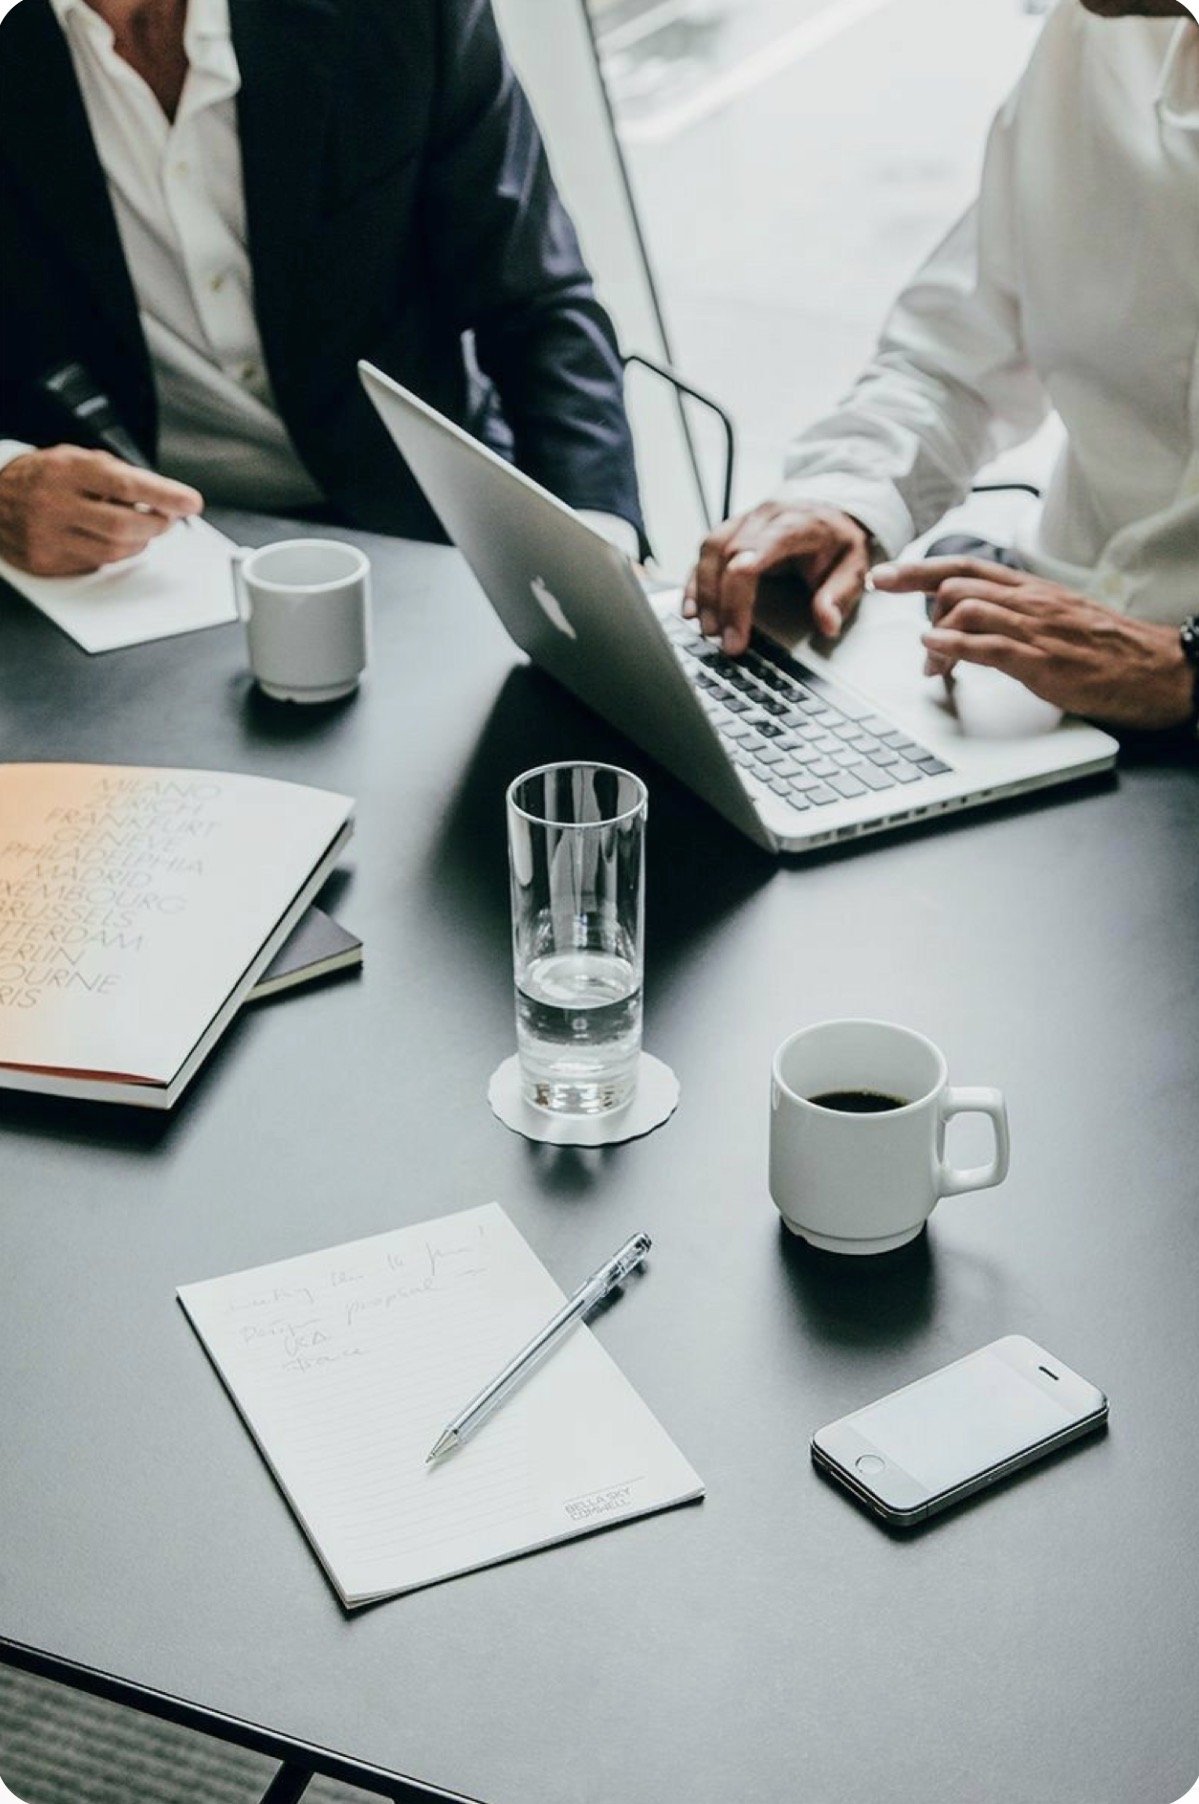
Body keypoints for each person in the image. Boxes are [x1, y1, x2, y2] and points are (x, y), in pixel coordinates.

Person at [687, 0, 1199, 735]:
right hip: (1038, 654)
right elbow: (957, 355)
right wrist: (847, 494)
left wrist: (1185, 669)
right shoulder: (1090, 34)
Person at [0, 0, 644, 577]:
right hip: (133, 560)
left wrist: (595, 543)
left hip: (427, 522)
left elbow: (537, 300)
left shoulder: (402, 13)